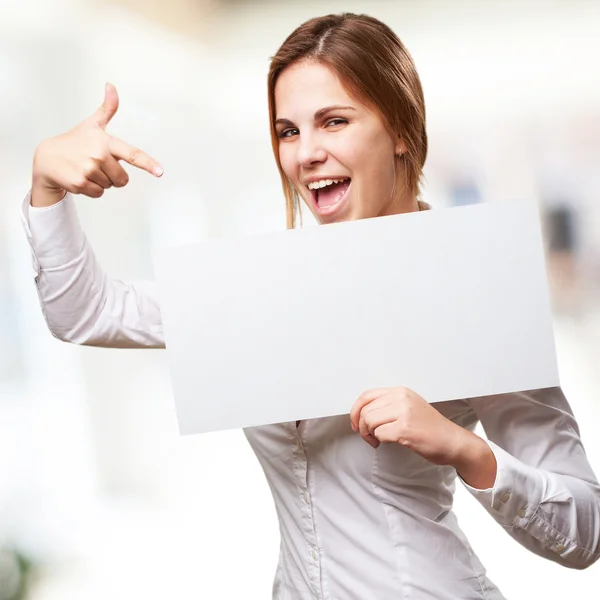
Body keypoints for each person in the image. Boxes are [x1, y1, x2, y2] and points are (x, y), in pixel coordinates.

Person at [21, 12, 600, 600]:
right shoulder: (262, 287)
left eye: (334, 121)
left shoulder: (474, 286)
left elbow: (584, 533)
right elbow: (85, 311)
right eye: (288, 131)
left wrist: (464, 449)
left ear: (400, 129)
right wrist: (47, 187)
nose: (306, 154)